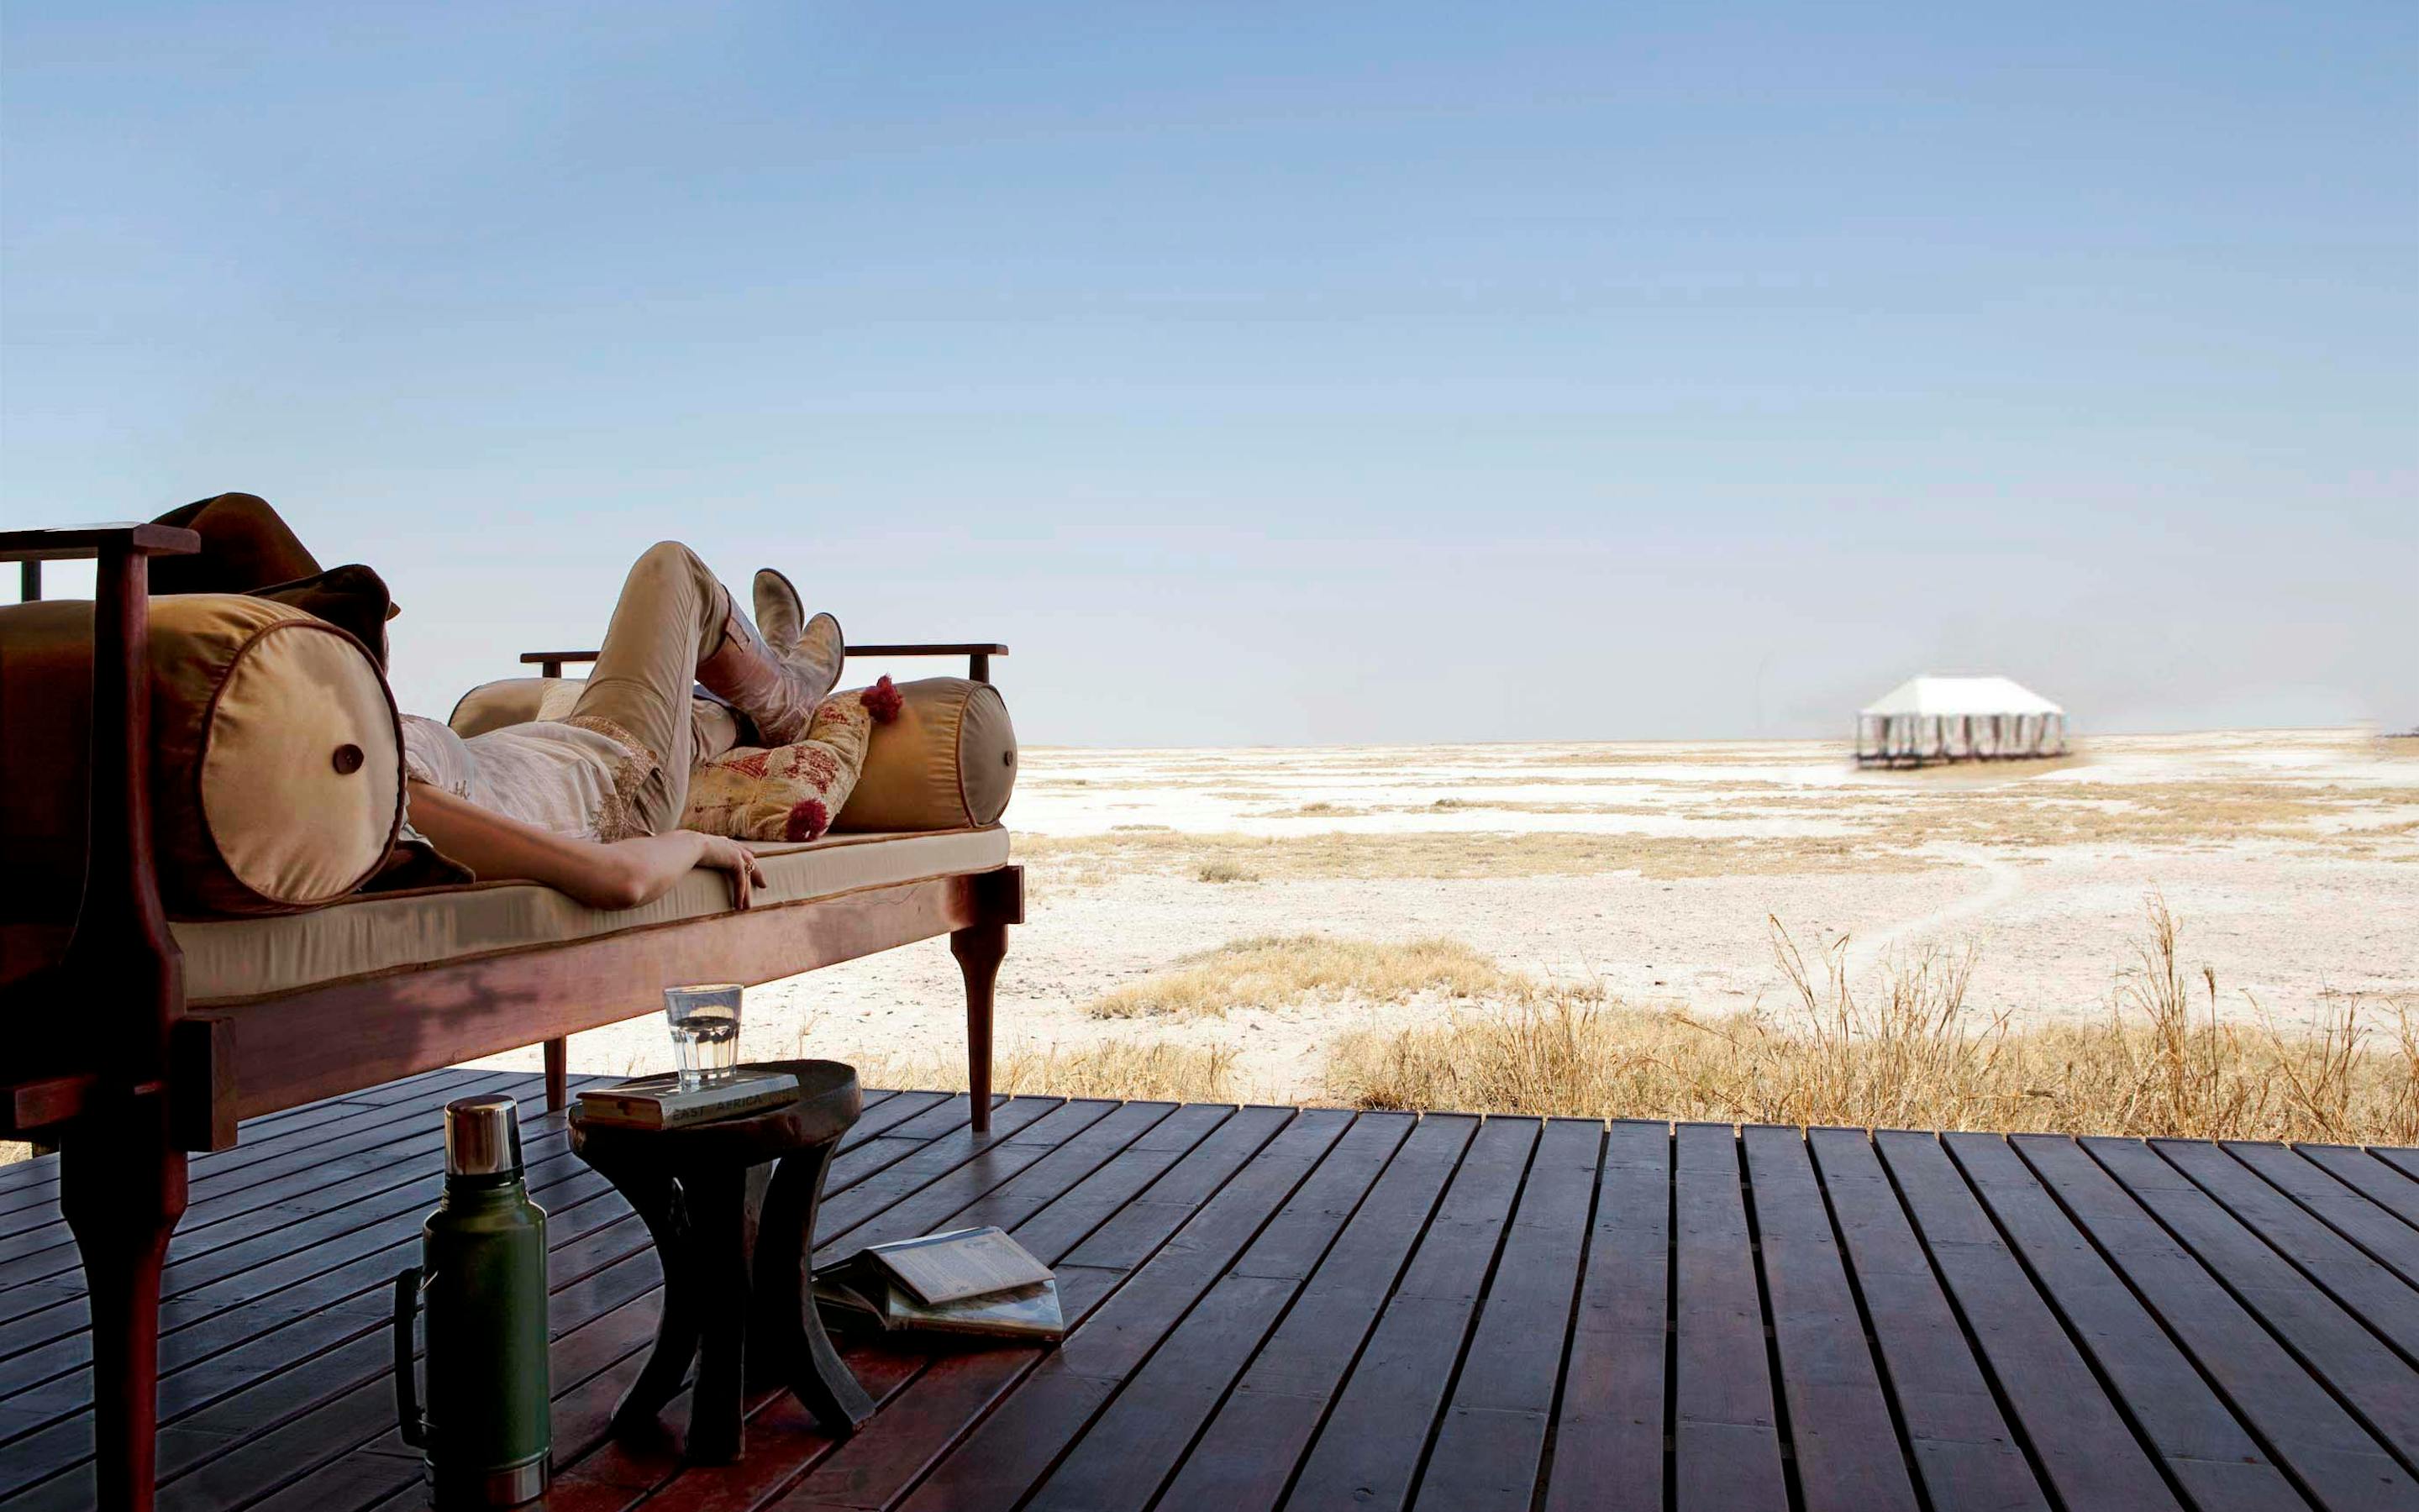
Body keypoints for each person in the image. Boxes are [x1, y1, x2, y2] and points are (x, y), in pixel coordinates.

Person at [151, 493, 843, 911]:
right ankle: (786, 696)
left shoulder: (336, 747)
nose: (383, 647)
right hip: (617, 777)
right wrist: (699, 843)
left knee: (698, 721)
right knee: (672, 568)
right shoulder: (366, 793)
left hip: (562, 745)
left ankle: (762, 693)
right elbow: (615, 880)